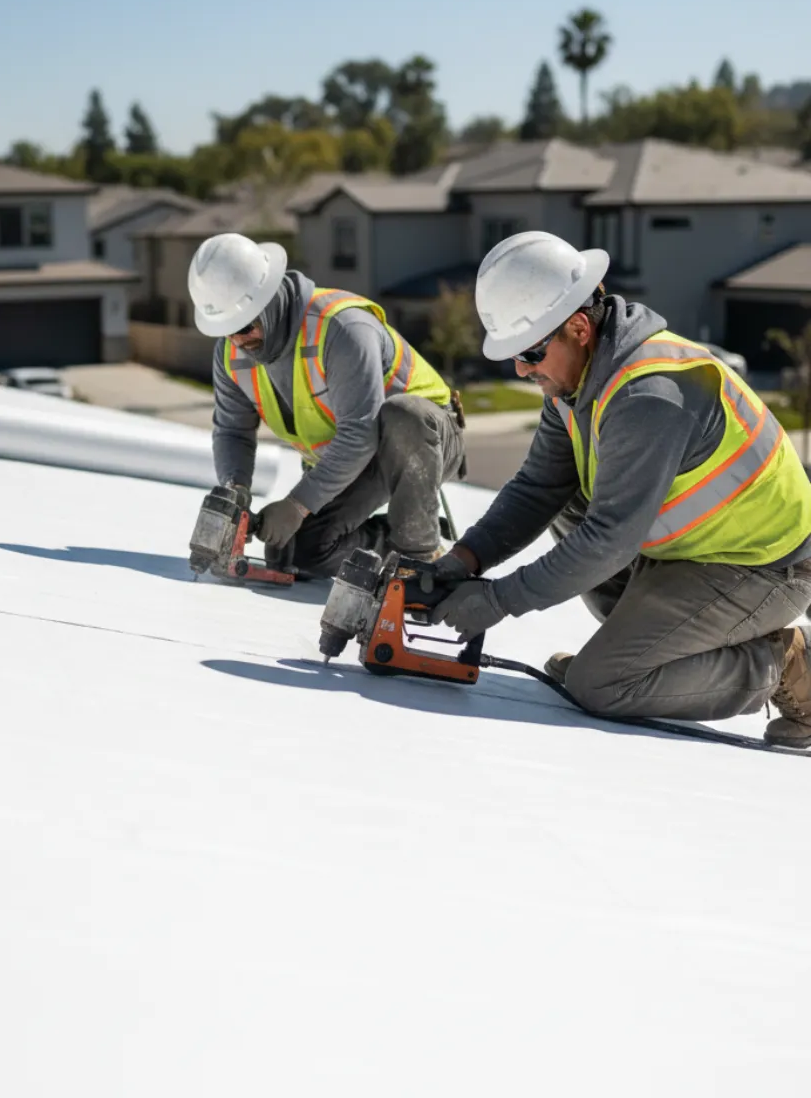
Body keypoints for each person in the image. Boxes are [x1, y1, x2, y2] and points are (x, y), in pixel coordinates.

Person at [424, 229, 811, 748]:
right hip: (696, 554)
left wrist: (499, 600)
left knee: (601, 685)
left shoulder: (650, 393)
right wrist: (466, 559)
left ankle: (784, 662)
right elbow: (539, 488)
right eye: (513, 357)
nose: (523, 369)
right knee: (569, 502)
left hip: (765, 566)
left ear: (580, 327)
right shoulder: (575, 384)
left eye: (532, 352)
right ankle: (642, 656)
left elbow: (609, 540)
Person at [188, 231, 466, 578]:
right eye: (225, 329)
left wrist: (297, 504)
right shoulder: (232, 354)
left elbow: (361, 432)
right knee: (294, 552)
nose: (238, 341)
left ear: (270, 297)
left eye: (245, 326)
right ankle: (390, 542)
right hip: (353, 460)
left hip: (425, 440)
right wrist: (236, 493)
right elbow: (232, 431)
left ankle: (419, 550)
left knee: (404, 415)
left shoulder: (340, 328)